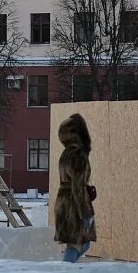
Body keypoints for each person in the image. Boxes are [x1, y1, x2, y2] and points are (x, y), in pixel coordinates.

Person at [54, 113, 97, 263]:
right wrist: (86, 212)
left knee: (79, 244)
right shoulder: (78, 154)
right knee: (77, 244)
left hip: (64, 201)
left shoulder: (66, 153)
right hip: (74, 204)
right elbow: (77, 186)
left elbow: (72, 180)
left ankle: (66, 272)